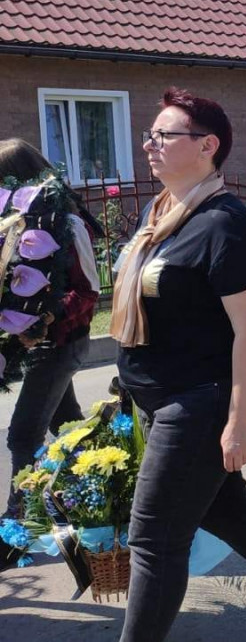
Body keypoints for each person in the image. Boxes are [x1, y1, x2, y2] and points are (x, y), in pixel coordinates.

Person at [114, 88, 246, 642]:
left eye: (164, 136)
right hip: (161, 396)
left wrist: (238, 421)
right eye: (150, 135)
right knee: (223, 507)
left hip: (200, 400)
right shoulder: (160, 212)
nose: (150, 145)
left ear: (207, 146)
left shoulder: (227, 224)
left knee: (154, 539)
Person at [2, 140, 99, 521]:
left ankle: (18, 525)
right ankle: (103, 497)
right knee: (68, 428)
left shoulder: (68, 224)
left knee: (23, 435)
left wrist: (45, 319)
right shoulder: (14, 229)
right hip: (37, 346)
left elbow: (88, 291)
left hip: (63, 343)